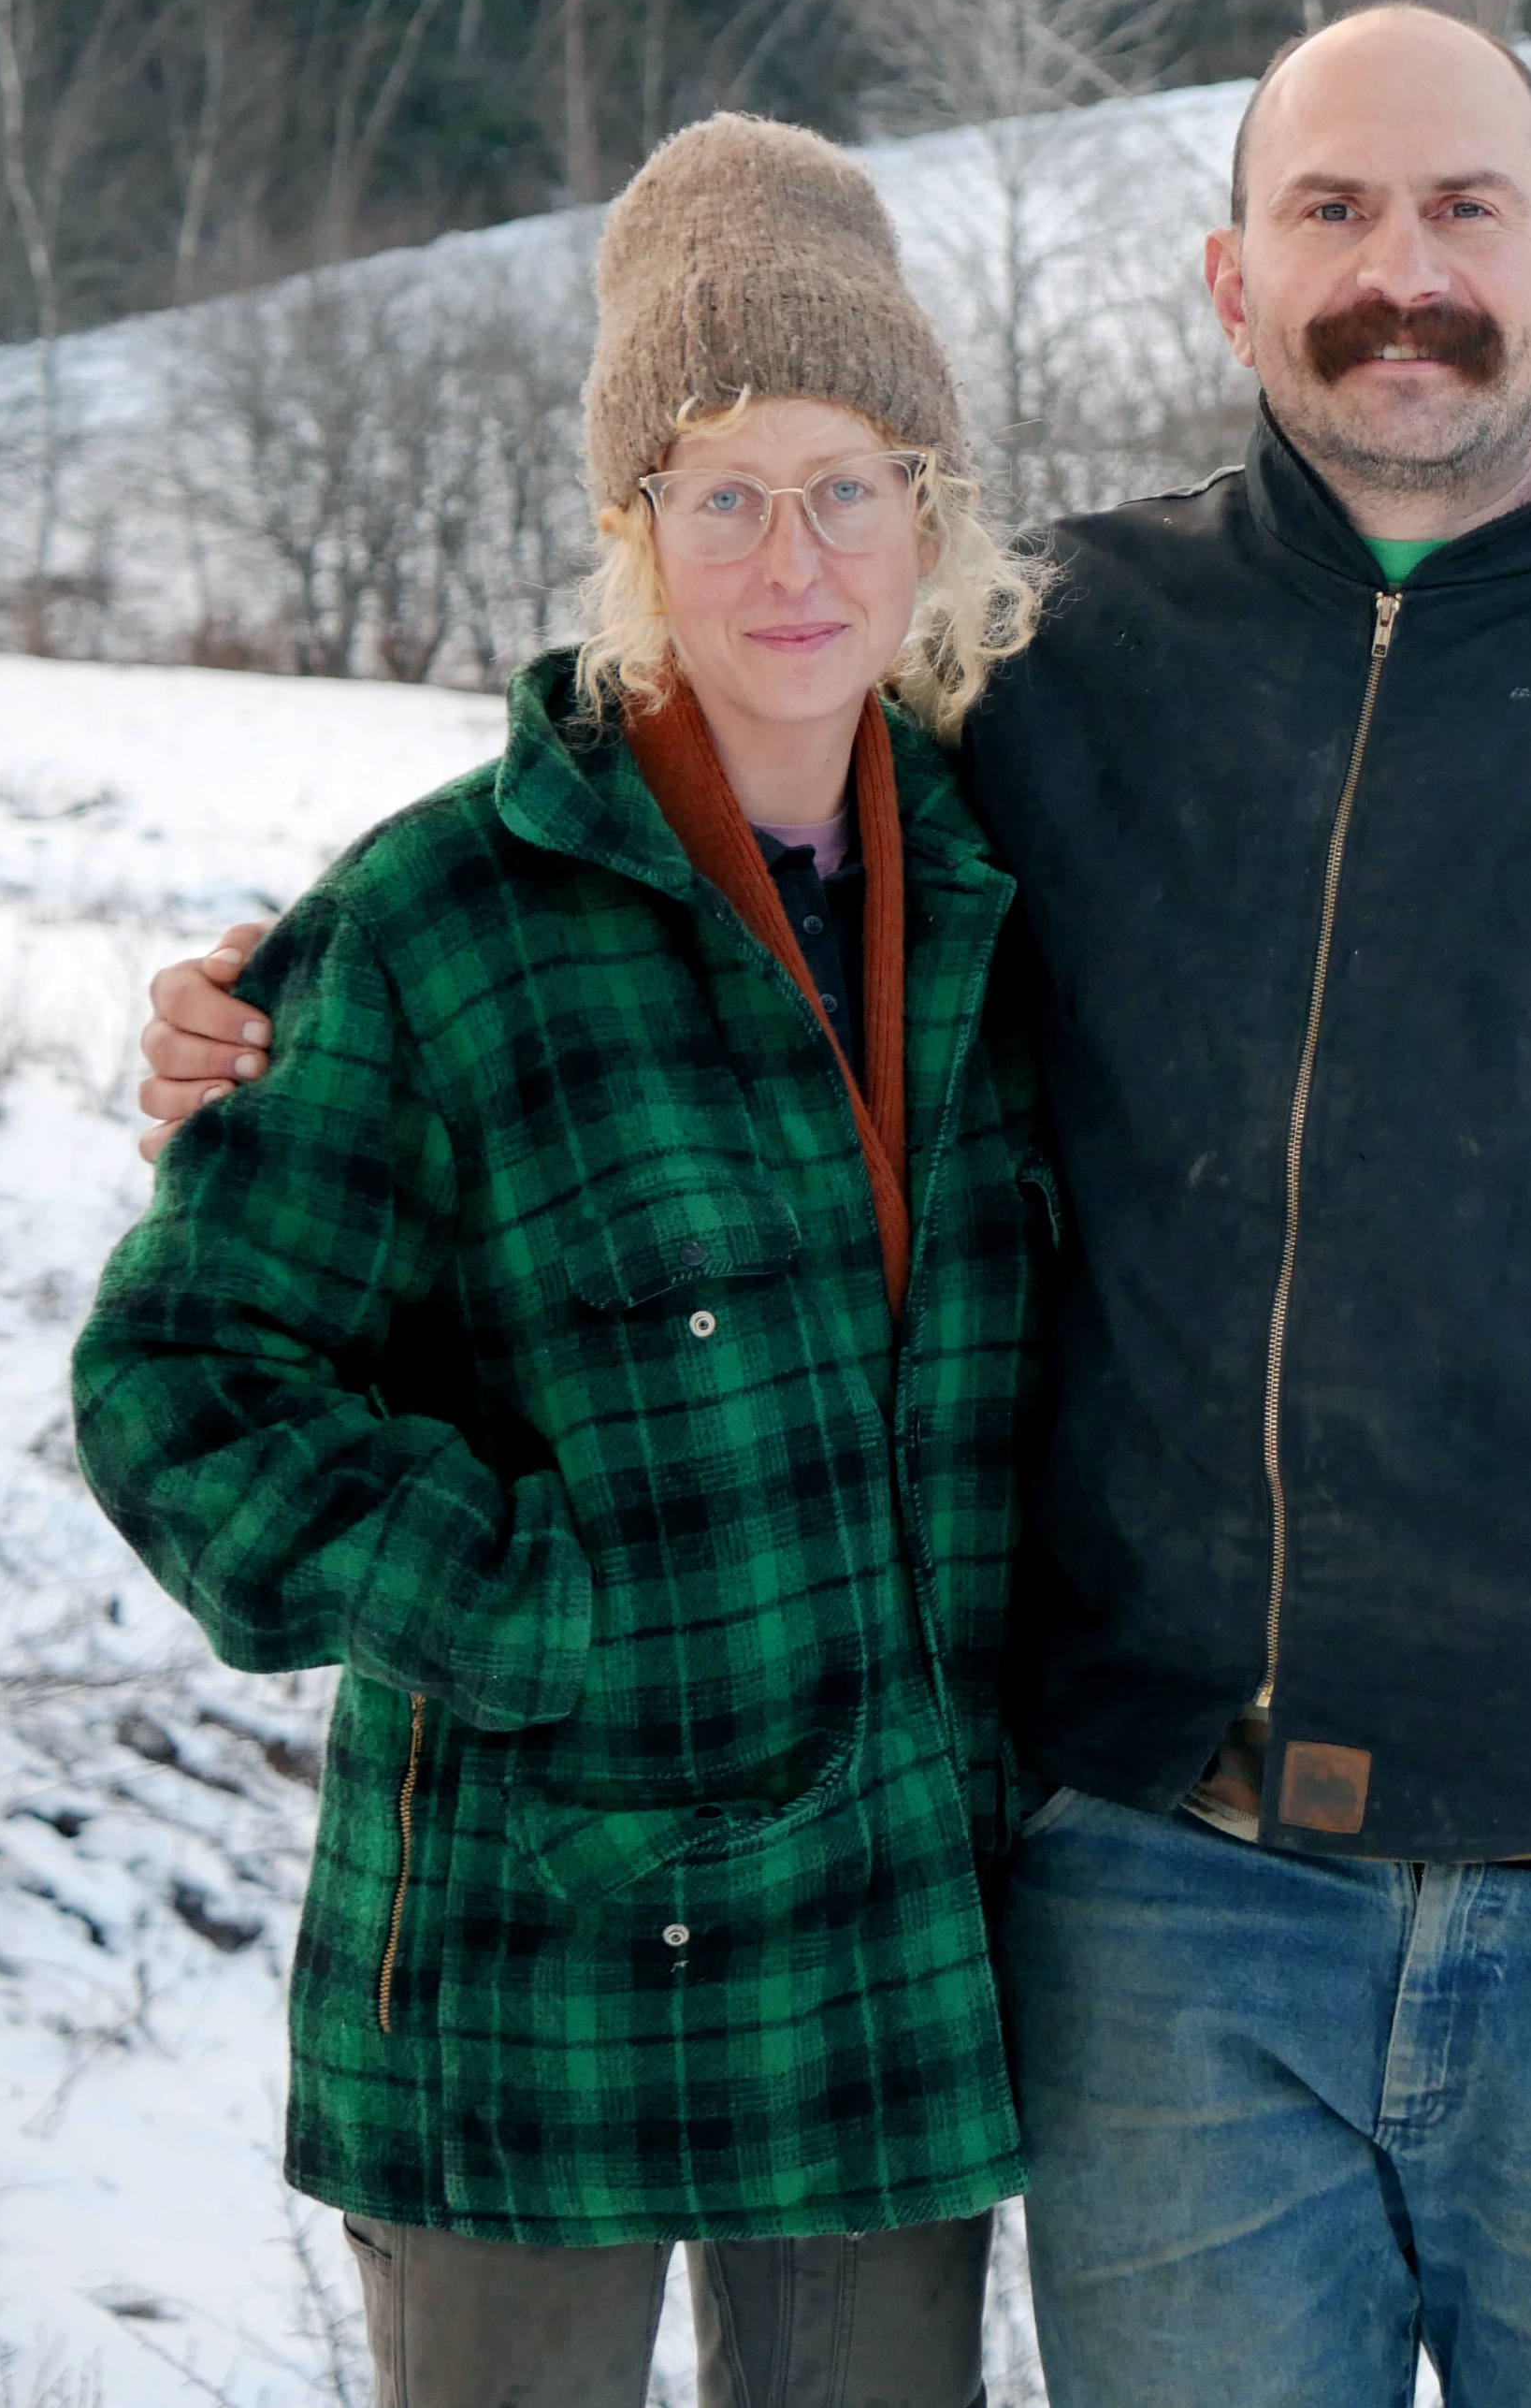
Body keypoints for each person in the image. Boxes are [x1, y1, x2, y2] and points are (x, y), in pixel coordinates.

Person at [145, 5, 1531, 2408]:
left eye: (1465, 208)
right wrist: (277, 1012)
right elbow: (693, 804)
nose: (1404, 271)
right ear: (1226, 273)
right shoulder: (1044, 667)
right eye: (1333, 211)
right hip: (1172, 1898)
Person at [81, 116, 1053, 2408]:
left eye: (843, 482)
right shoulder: (441, 922)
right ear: (634, 533)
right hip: (540, 1950)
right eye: (717, 490)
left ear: (929, 509)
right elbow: (182, 1379)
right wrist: (546, 1607)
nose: (787, 554)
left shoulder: (1019, 903)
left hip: (885, 1946)